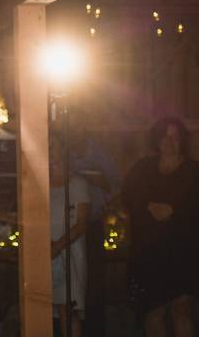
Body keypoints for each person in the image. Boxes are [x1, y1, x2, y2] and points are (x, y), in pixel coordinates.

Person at [122, 117, 199, 337]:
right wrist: (149, 206)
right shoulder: (143, 167)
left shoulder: (194, 170)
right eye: (165, 136)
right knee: (153, 312)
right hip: (149, 253)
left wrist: (173, 210)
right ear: (157, 140)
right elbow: (127, 196)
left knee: (182, 310)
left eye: (175, 136)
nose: (170, 141)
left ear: (182, 140)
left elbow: (198, 202)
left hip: (183, 251)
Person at [69, 127, 120, 336]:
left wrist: (97, 181)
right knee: (71, 280)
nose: (74, 130)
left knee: (94, 281)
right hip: (68, 226)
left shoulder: (100, 153)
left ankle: (95, 330)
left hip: (92, 224)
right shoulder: (63, 152)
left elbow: (116, 186)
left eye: (78, 125)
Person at [51, 133, 89, 337]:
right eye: (46, 146)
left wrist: (57, 246)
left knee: (70, 309)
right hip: (46, 253)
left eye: (54, 146)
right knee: (53, 308)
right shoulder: (39, 183)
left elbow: (82, 223)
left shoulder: (77, 183)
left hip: (70, 252)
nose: (50, 150)